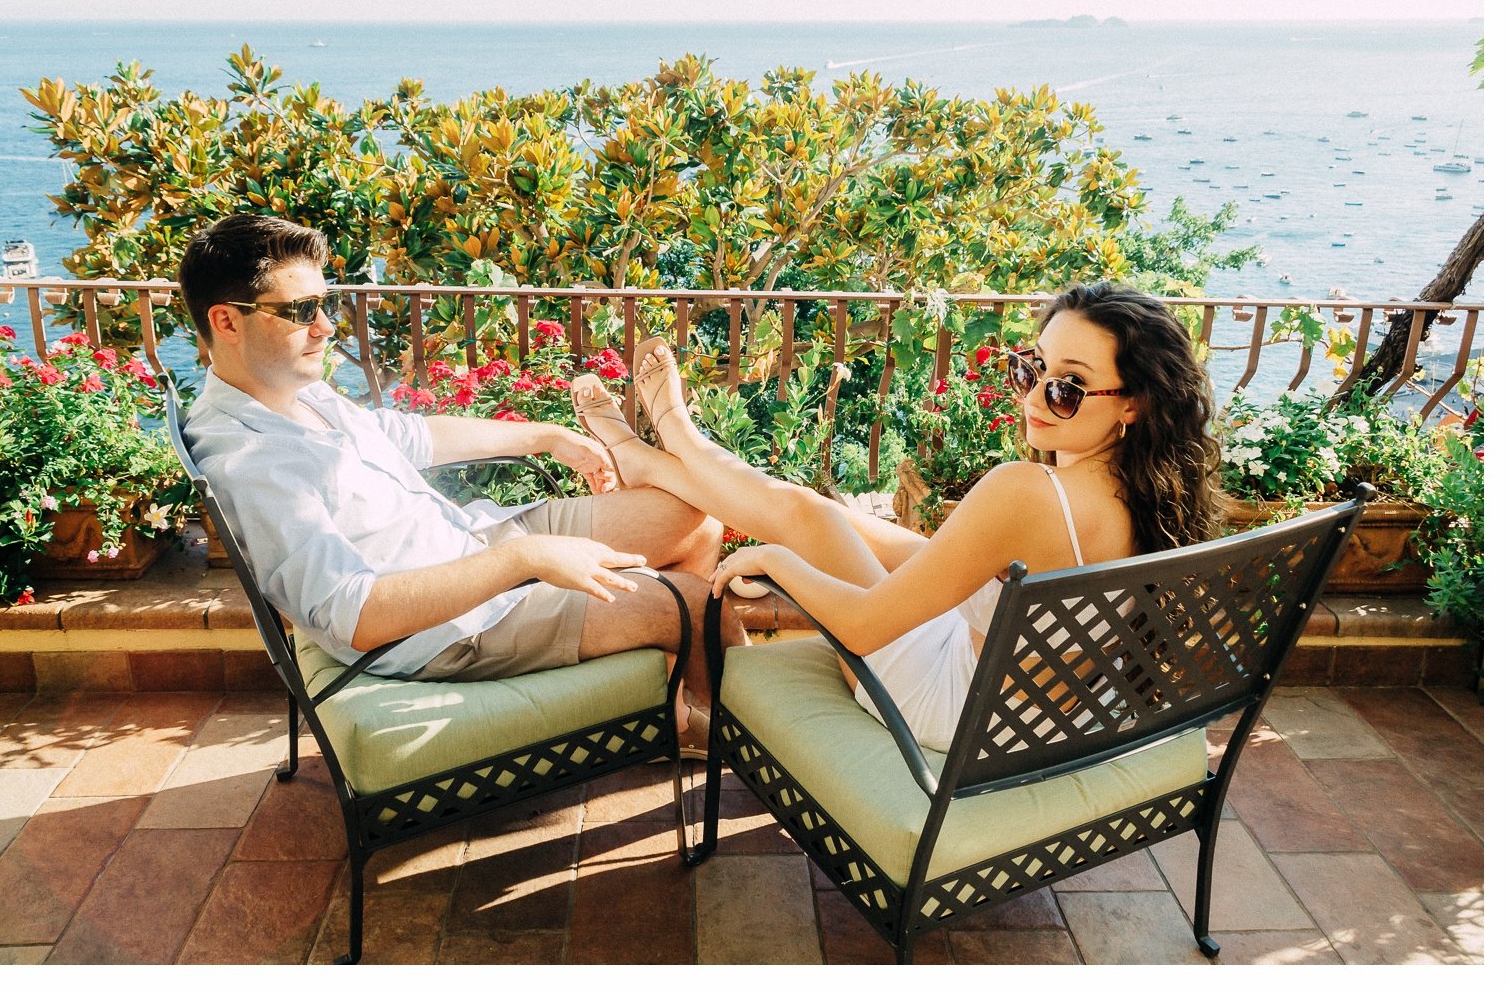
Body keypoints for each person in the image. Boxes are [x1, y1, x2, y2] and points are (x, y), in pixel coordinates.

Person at [569, 281, 1222, 752]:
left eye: (1066, 387)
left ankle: (672, 442)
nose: (1036, 397)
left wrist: (774, 561)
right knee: (824, 514)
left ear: (1133, 403)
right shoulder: (1154, 494)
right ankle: (658, 457)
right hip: (1046, 710)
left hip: (958, 709)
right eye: (1033, 368)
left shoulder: (1026, 492)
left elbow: (859, 623)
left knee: (810, 522)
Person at [177, 214, 734, 743]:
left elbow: (405, 436)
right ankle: (756, 740)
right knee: (693, 605)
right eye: (301, 311)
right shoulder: (253, 462)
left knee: (695, 519)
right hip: (444, 628)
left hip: (468, 542)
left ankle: (670, 703)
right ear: (226, 321)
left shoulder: (287, 390)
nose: (325, 327)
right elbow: (358, 615)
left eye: (325, 304)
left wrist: (547, 436)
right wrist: (525, 560)